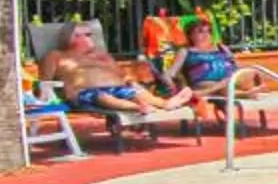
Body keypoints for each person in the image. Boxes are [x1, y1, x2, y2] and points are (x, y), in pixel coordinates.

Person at [39, 23, 192, 126]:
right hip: (84, 92)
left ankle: (165, 103)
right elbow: (44, 82)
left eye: (89, 34)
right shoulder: (56, 56)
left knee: (136, 92)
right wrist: (58, 93)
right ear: (69, 38)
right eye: (83, 34)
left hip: (115, 87)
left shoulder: (102, 56)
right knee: (103, 97)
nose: (89, 37)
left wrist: (131, 82)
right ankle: (138, 108)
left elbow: (121, 75)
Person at [172, 18, 242, 121]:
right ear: (190, 35)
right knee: (226, 85)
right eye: (200, 31)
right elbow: (172, 73)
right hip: (204, 83)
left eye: (208, 31)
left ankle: (208, 92)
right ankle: (245, 94)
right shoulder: (185, 51)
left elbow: (237, 66)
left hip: (229, 81)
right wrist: (176, 87)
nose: (206, 35)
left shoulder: (221, 47)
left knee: (248, 73)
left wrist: (234, 62)